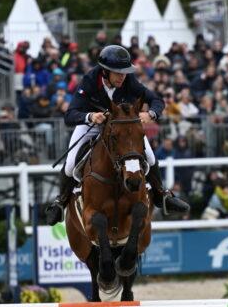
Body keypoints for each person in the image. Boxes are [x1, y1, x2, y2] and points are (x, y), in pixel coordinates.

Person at [43, 45, 189, 225]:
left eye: (125, 72)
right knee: (71, 163)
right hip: (93, 125)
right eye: (118, 73)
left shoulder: (129, 81)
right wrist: (89, 116)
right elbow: (70, 115)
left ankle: (162, 195)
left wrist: (151, 114)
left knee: (150, 157)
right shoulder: (89, 81)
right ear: (105, 72)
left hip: (120, 128)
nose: (122, 77)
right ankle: (60, 202)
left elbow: (156, 100)